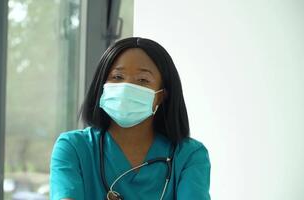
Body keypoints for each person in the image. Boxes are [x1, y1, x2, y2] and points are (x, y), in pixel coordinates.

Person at [49, 37, 211, 200]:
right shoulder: (74, 148)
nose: (127, 87)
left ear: (161, 96)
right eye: (117, 77)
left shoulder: (189, 155)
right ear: (102, 85)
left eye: (143, 80)